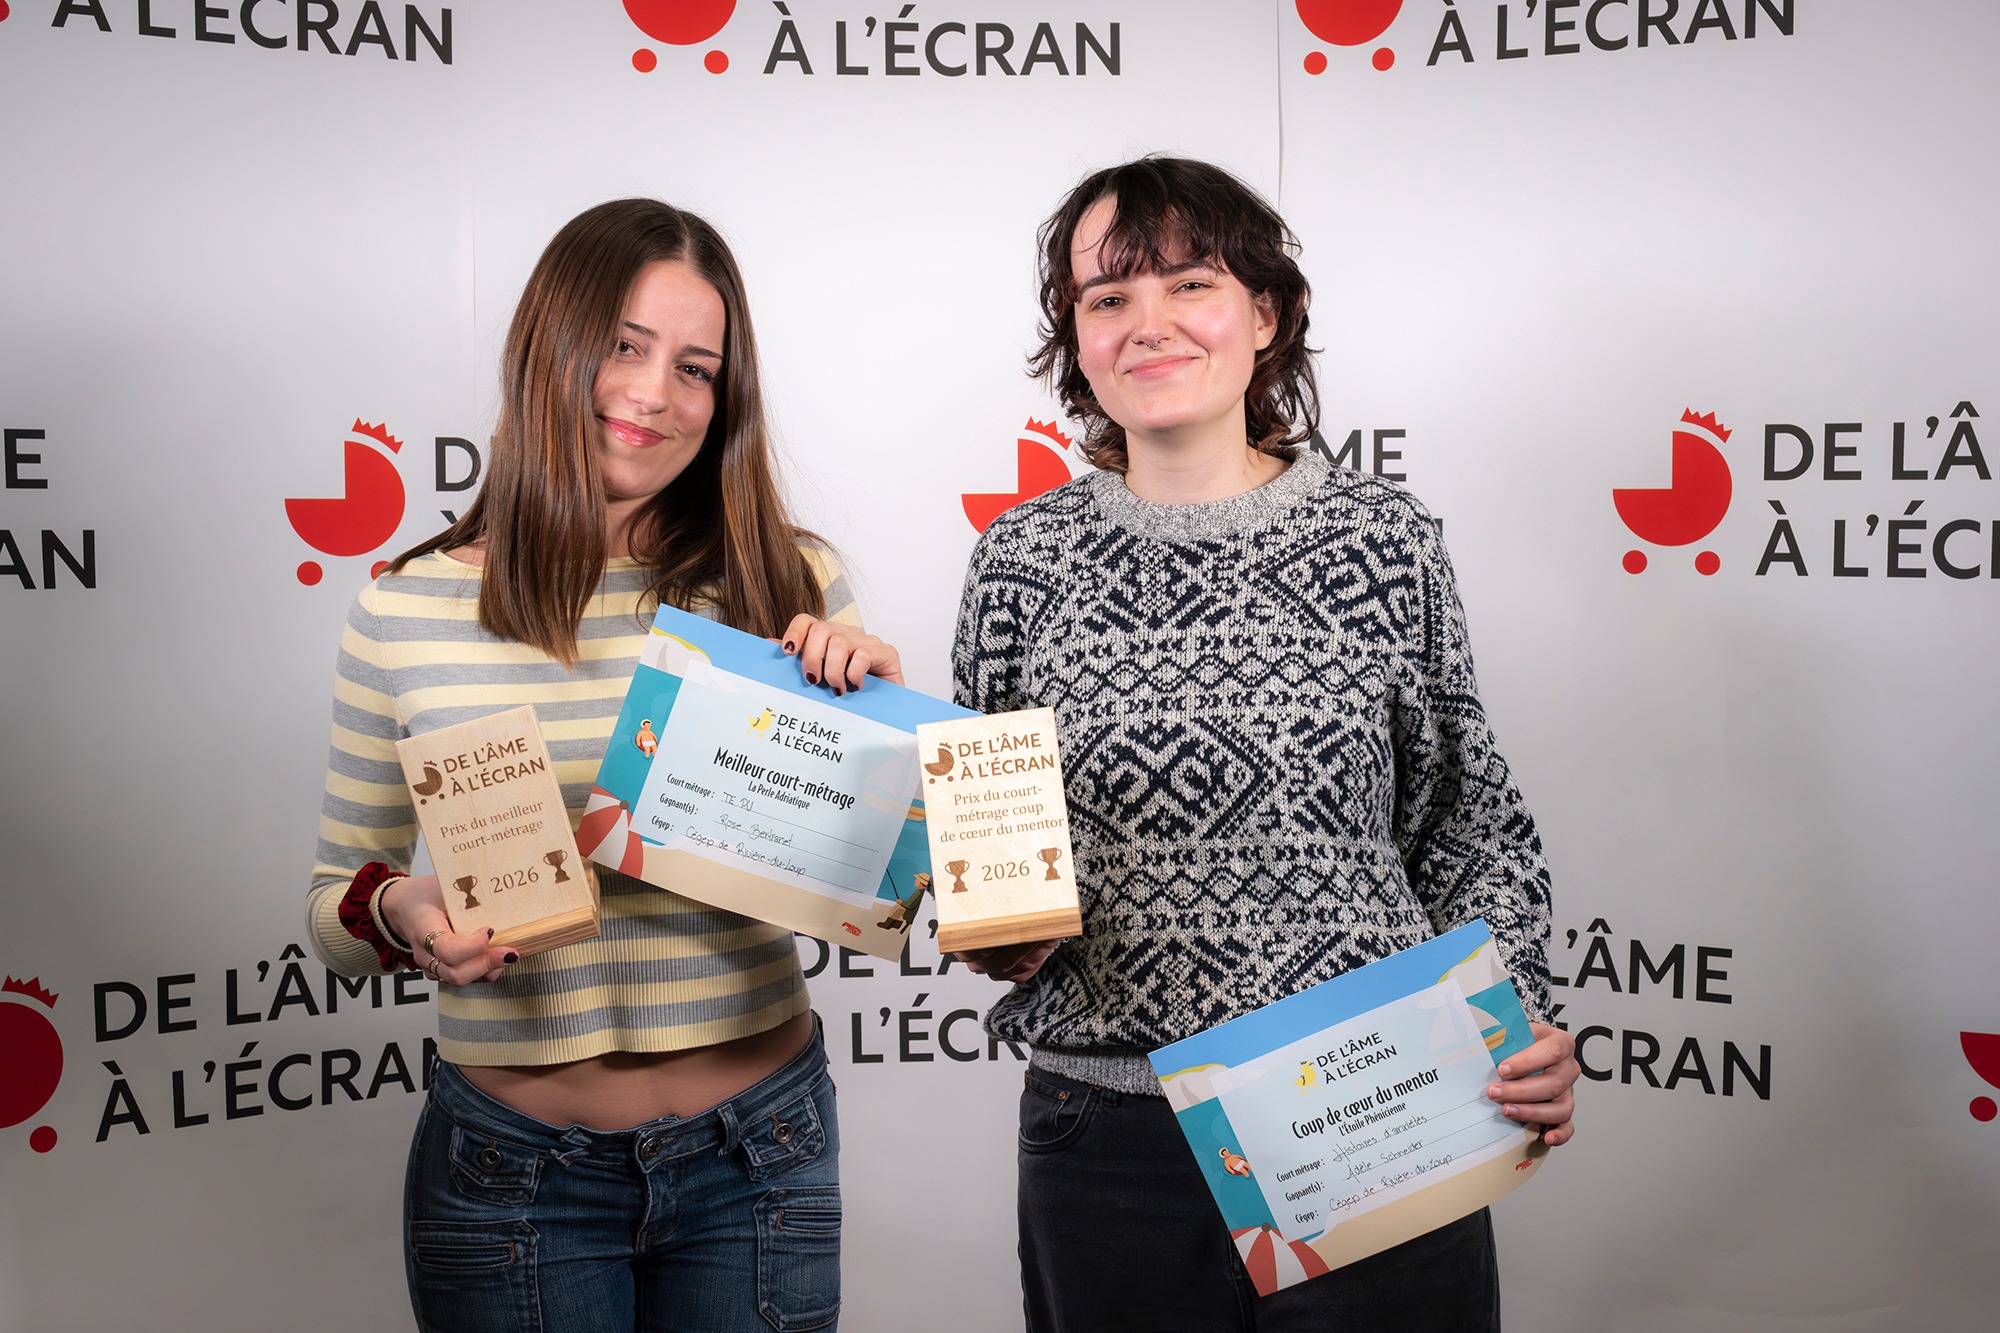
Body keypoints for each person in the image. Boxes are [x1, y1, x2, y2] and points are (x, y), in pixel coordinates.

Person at [950, 156, 1580, 1331]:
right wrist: (994, 930)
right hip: (1110, 1142)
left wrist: (1522, 1013)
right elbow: (987, 851)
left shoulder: (1385, 540)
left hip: (1374, 1111)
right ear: (1076, 340)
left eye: (1189, 282)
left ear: (1265, 313)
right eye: (1106, 297)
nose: (1148, 324)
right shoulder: (1018, 561)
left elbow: (1469, 823)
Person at [306, 198, 900, 1333]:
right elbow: (336, 904)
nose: (652, 393)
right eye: (623, 346)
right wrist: (404, 910)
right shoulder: (405, 606)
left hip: (758, 1154)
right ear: (550, 348)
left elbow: (867, 879)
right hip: (511, 1174)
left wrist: (878, 746)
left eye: (695, 368)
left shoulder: (789, 581)